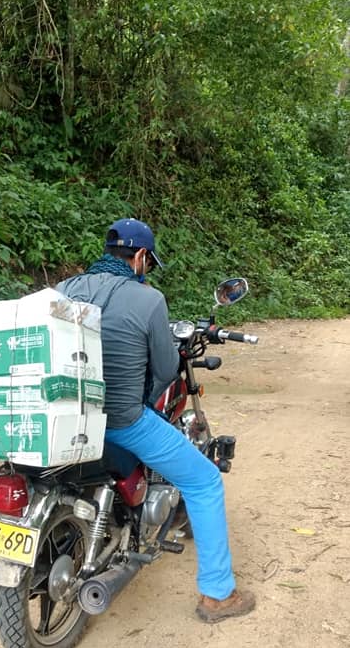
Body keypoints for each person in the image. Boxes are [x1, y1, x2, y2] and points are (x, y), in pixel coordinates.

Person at [57, 217, 255, 623]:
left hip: (65, 417)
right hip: (123, 421)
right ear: (141, 256)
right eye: (149, 262)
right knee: (203, 480)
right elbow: (166, 369)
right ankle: (219, 596)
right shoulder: (149, 300)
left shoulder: (64, 290)